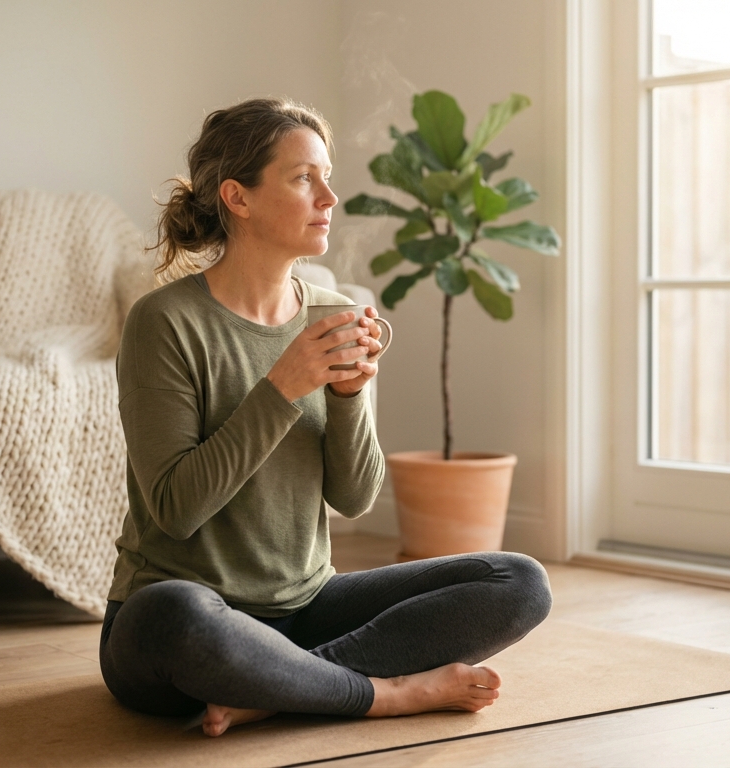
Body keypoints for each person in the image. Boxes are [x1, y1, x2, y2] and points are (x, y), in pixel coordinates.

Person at [100, 96, 551, 738]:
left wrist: (347, 400)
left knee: (520, 581)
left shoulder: (331, 313)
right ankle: (384, 693)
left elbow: (356, 497)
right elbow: (175, 508)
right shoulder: (165, 322)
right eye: (304, 178)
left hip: (304, 607)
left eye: (327, 176)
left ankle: (286, 685)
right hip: (189, 614)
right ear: (239, 197)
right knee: (173, 613)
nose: (330, 197)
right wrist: (284, 386)